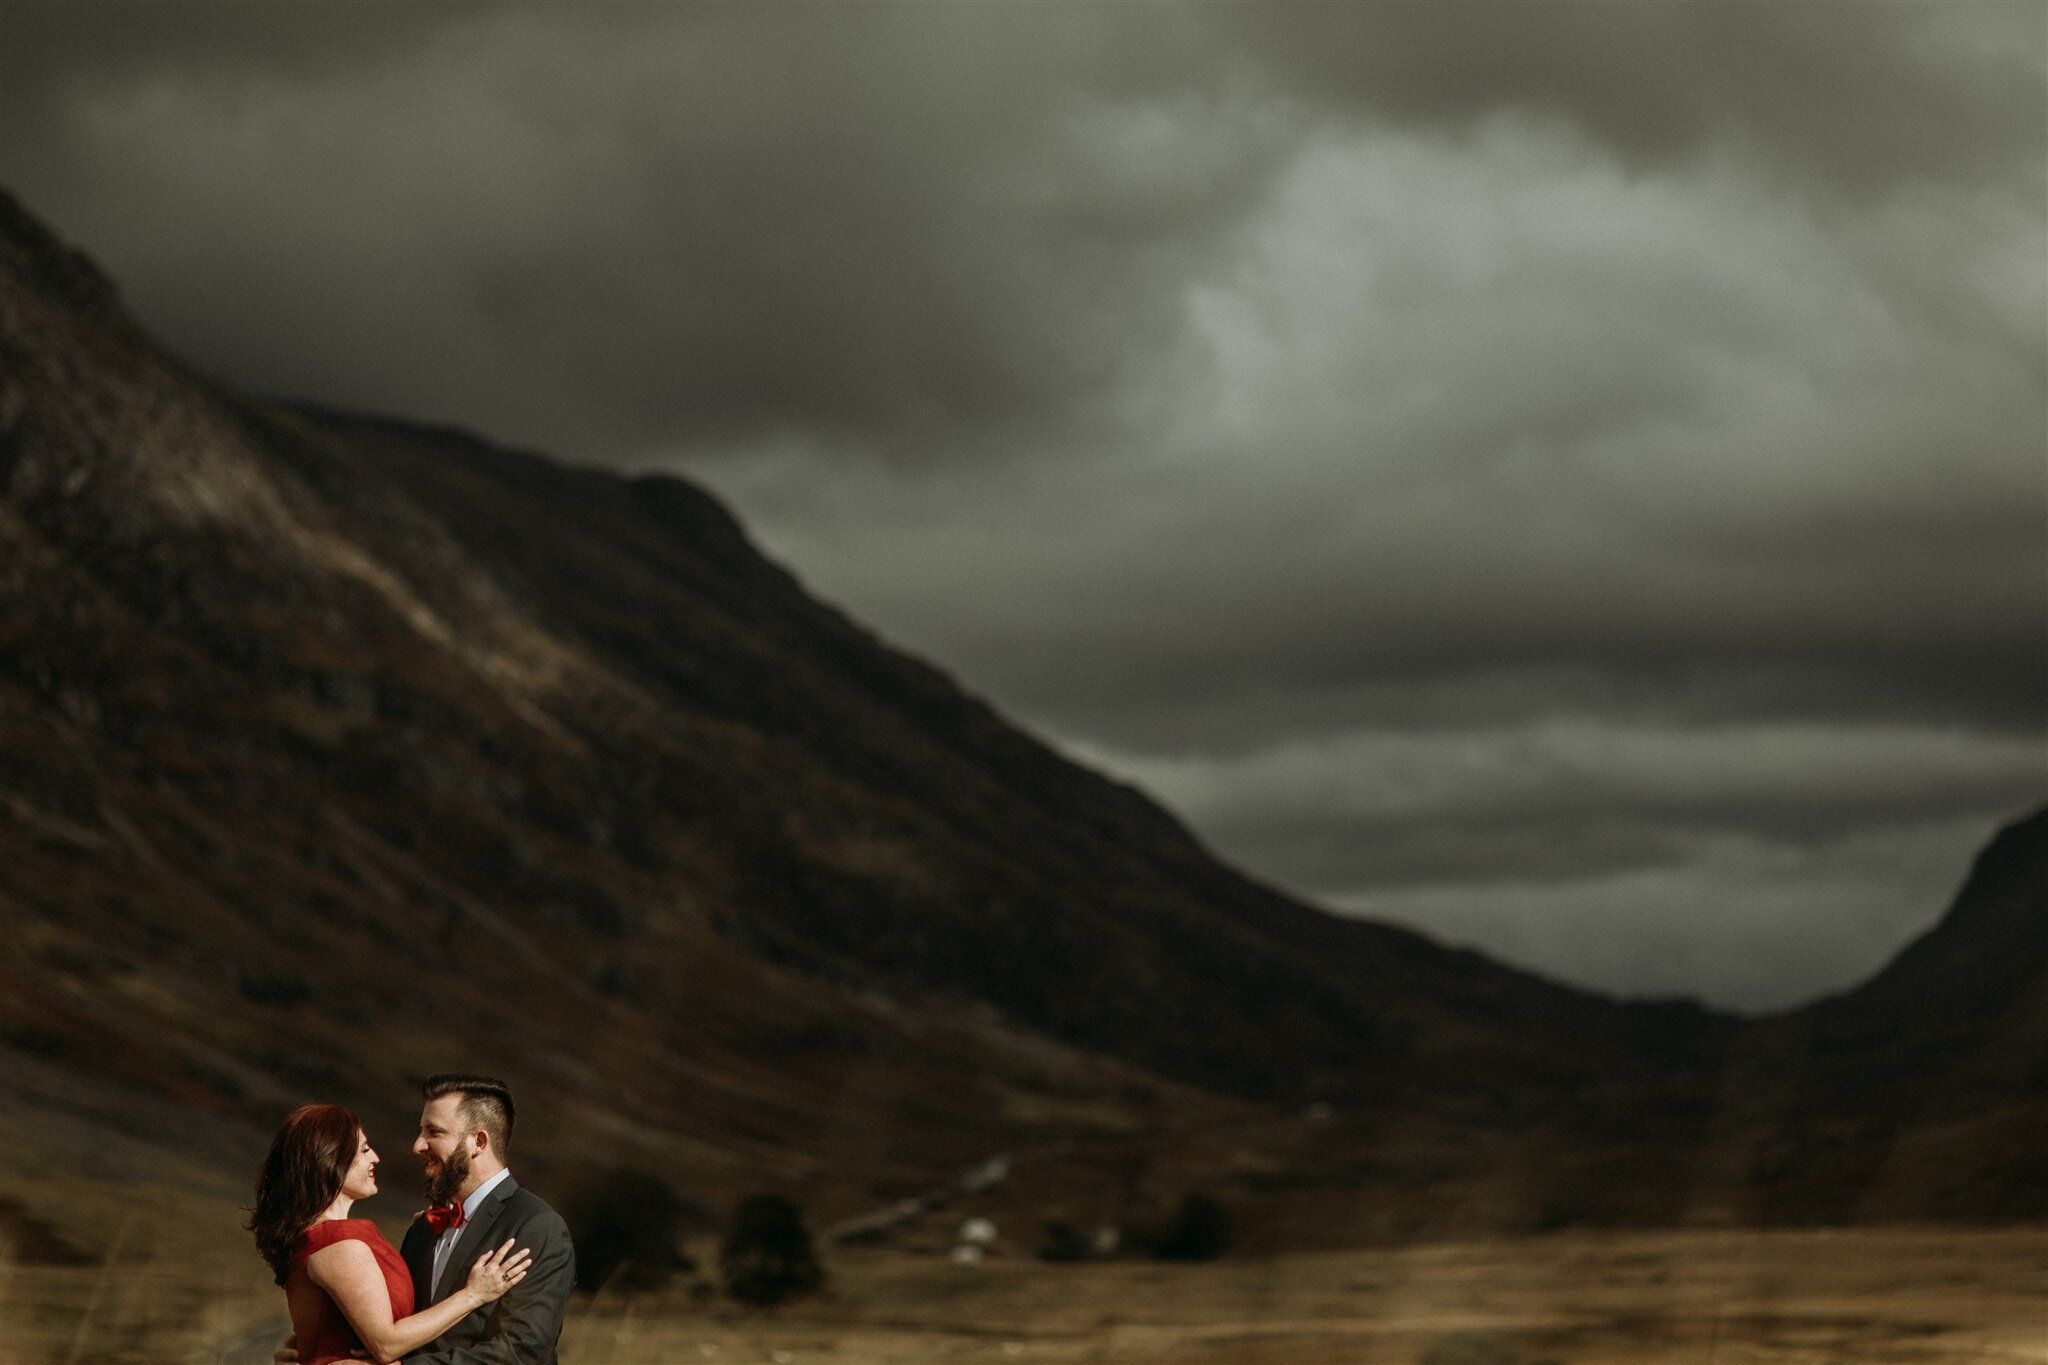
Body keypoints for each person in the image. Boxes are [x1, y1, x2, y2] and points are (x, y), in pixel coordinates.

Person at [275, 1074, 577, 1365]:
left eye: (434, 1132)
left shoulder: (535, 1226)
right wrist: (308, 1349)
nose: (417, 1145)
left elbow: (524, 1353)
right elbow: (388, 1324)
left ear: (478, 1143)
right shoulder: (423, 1230)